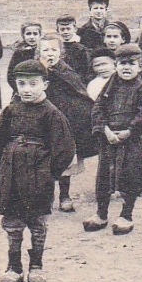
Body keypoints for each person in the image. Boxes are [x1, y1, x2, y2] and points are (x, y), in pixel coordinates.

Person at [0, 60, 77, 282]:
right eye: (21, 84)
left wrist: (48, 173)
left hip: (39, 176)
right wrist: (7, 163)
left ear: (45, 84)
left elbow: (64, 148)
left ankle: (36, 265)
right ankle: (14, 266)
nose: (26, 89)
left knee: (36, 220)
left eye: (33, 84)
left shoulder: (52, 113)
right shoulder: (11, 110)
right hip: (12, 174)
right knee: (13, 220)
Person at [85, 43, 142, 235]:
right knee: (103, 176)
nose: (126, 67)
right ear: (116, 65)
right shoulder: (110, 86)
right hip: (109, 139)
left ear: (140, 67)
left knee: (130, 175)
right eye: (122, 63)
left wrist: (130, 130)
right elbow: (98, 108)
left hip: (133, 141)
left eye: (131, 63)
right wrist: (106, 130)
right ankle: (101, 214)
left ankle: (126, 215)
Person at [36, 33, 94, 213]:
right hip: (42, 122)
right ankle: (45, 197)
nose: (50, 53)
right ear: (39, 53)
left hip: (63, 122)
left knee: (64, 159)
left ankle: (64, 196)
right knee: (43, 160)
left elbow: (79, 93)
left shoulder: (66, 70)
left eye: (54, 49)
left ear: (61, 52)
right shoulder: (35, 70)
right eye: (45, 50)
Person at [6, 22, 43, 93]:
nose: (32, 37)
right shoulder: (19, 53)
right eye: (28, 34)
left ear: (40, 35)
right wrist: (19, 90)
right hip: (22, 90)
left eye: (35, 34)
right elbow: (10, 75)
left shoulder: (42, 51)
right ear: (23, 35)